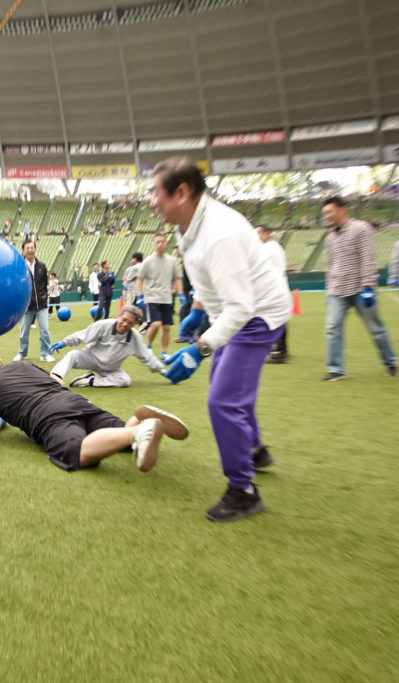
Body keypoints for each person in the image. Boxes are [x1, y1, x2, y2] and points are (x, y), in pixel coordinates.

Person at [152, 156, 292, 522]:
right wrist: (200, 310)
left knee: (223, 401)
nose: (152, 202)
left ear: (181, 193)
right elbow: (210, 279)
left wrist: (199, 348)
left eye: (157, 193)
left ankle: (243, 491)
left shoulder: (219, 234)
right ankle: (255, 450)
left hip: (257, 316)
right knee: (227, 387)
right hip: (235, 314)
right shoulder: (189, 227)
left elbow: (241, 306)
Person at [0, 350, 187, 472]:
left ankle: (137, 431)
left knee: (79, 453)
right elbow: (60, 382)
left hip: (48, 416)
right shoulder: (25, 365)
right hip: (74, 401)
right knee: (122, 439)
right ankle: (139, 422)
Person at [321, 196, 398, 380]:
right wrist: (329, 290)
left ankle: (391, 362)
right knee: (333, 328)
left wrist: (368, 287)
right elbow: (330, 265)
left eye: (329, 212)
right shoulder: (330, 237)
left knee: (376, 329)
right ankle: (336, 369)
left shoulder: (361, 229)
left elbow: (367, 259)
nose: (326, 216)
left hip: (360, 289)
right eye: (324, 214)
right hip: (338, 290)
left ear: (342, 209)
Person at [48, 305, 163, 387]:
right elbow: (83, 335)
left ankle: (89, 381)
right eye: (124, 319)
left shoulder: (135, 337)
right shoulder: (103, 325)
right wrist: (64, 342)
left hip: (111, 369)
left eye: (130, 323)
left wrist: (162, 371)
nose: (125, 324)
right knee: (72, 355)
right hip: (91, 358)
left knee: (125, 381)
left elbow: (147, 356)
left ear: (133, 325)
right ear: (119, 316)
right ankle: (54, 378)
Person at [135, 233, 186, 359]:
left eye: (162, 242)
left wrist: (180, 294)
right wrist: (139, 296)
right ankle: (148, 347)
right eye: (157, 242)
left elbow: (178, 278)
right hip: (152, 297)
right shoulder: (147, 261)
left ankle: (163, 352)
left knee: (167, 327)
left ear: (167, 244)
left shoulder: (172, 261)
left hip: (167, 298)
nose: (160, 244)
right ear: (153, 244)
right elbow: (140, 279)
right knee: (156, 324)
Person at [14, 239, 54, 363]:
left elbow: (44, 284)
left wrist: (44, 298)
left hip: (41, 304)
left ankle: (45, 354)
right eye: (28, 248)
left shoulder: (42, 266)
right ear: (23, 250)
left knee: (44, 331)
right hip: (26, 306)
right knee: (23, 332)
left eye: (32, 248)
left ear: (35, 249)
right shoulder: (19, 267)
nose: (30, 250)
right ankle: (22, 353)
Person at [256, 225, 290, 363]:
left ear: (266, 233)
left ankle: (280, 351)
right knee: (277, 318)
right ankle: (278, 348)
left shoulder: (267, 248)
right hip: (279, 287)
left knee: (274, 319)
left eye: (257, 233)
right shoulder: (276, 246)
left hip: (272, 289)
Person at [122, 251, 144, 316]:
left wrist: (125, 288)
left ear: (135, 259)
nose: (131, 261)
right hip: (144, 290)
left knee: (130, 308)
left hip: (134, 291)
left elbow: (128, 278)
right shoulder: (145, 265)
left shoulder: (134, 268)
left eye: (132, 259)